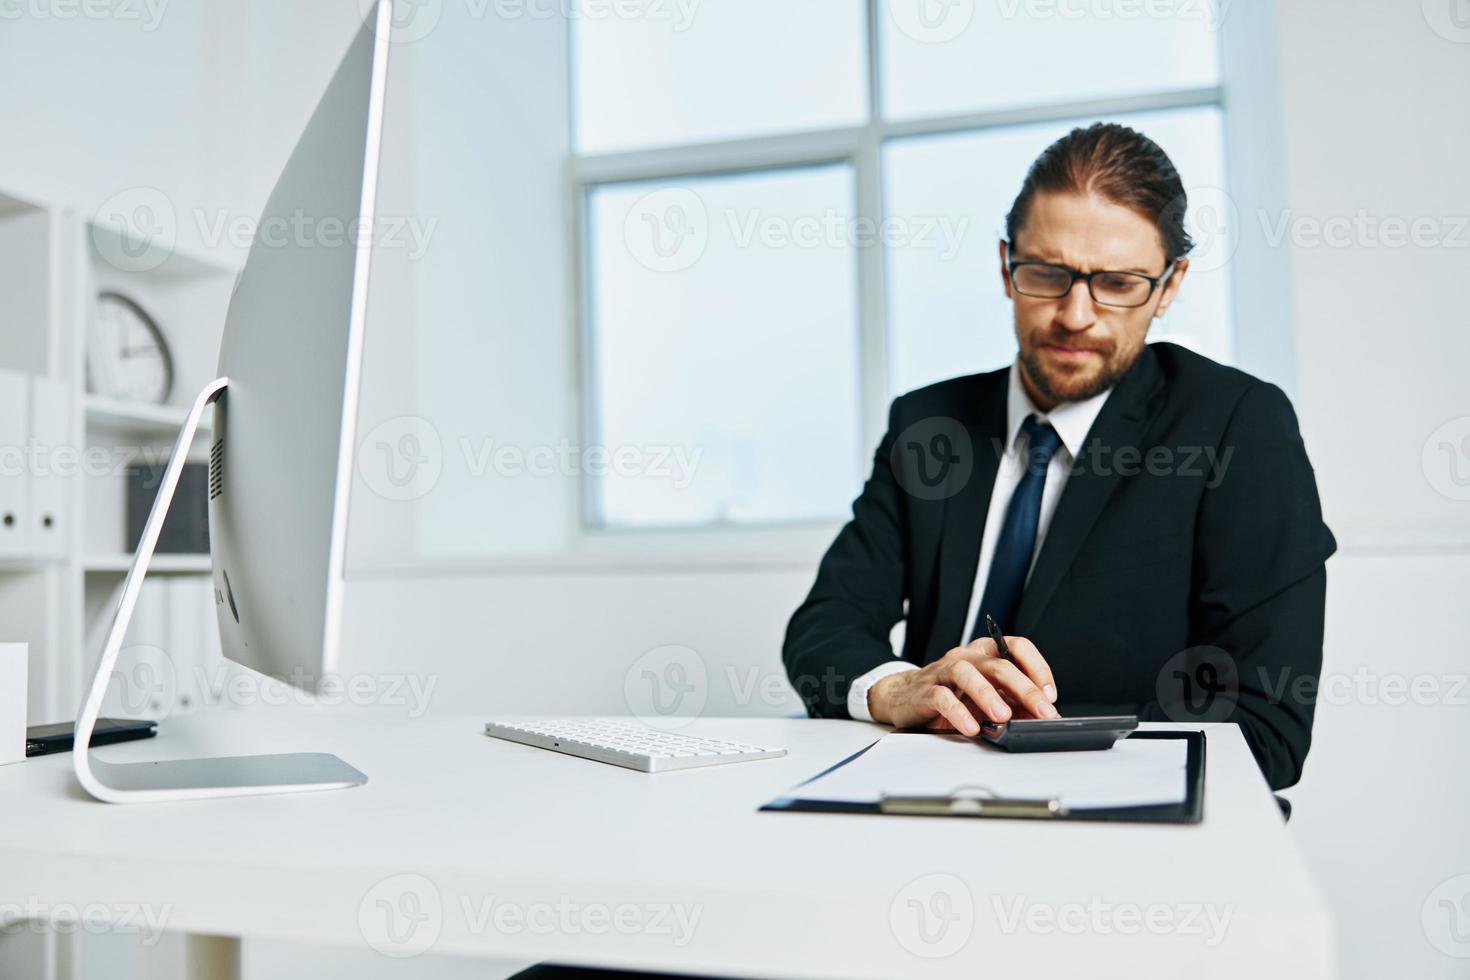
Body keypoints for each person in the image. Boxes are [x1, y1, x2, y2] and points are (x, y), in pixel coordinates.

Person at [782, 122, 1335, 790]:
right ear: (1005, 266)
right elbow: (826, 625)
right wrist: (896, 688)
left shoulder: (1237, 428)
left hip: (1127, 836)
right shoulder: (929, 425)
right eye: (1047, 273)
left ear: (1169, 286)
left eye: (1119, 283)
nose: (1076, 314)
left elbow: (1267, 726)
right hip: (925, 805)